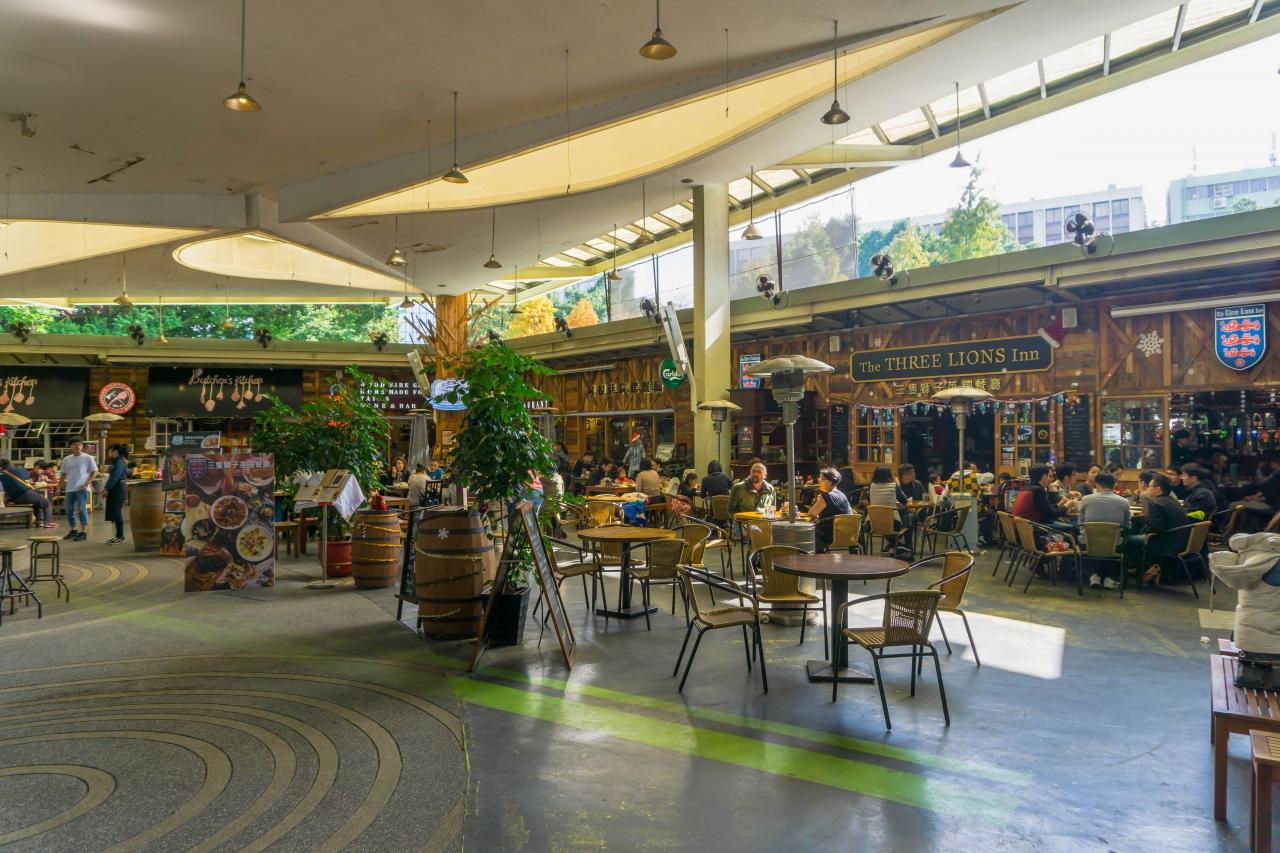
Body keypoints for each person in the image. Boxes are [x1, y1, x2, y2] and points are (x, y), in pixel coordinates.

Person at [1127, 473, 1190, 585]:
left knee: (1127, 540)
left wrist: (1144, 530)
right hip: (1181, 540)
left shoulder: (1155, 503)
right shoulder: (1172, 501)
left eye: (1150, 486)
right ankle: (1150, 567)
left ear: (1158, 488)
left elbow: (1155, 527)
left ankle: (1145, 569)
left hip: (1165, 542)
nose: (1148, 489)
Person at [1077, 471, 1130, 589]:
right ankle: (1109, 578)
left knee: (1085, 539)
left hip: (1089, 545)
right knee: (1117, 541)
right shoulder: (1124, 502)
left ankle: (1093, 576)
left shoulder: (1086, 499)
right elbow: (1127, 526)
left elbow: (1080, 523)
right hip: (1113, 545)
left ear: (1097, 485)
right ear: (1113, 485)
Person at [59, 439, 97, 541]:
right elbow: (63, 474)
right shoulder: (66, 459)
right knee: (69, 509)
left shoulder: (88, 457)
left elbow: (94, 472)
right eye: (75, 444)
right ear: (70, 446)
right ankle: (74, 529)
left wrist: (86, 483)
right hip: (70, 488)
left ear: (82, 446)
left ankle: (83, 532)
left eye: (79, 444)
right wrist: (59, 487)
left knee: (81, 508)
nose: (78, 446)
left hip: (82, 487)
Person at [806, 467, 852, 553]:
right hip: (847, 534)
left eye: (823, 479)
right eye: (819, 478)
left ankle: (813, 557)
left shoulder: (827, 496)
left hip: (830, 536)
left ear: (831, 482)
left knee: (805, 533)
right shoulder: (842, 495)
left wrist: (817, 516)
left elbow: (811, 513)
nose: (819, 481)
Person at [1011, 464, 1071, 528]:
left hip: (1021, 528)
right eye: (1050, 476)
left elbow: (1046, 509)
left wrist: (1059, 504)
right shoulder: (1038, 490)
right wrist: (1067, 506)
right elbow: (1052, 515)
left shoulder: (1026, 488)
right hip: (1033, 528)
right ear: (1044, 476)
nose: (1052, 480)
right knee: (1073, 528)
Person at [0, 459, 54, 528]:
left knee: (37, 503)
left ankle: (39, 522)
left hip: (14, 498)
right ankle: (48, 522)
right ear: (10, 464)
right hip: (24, 493)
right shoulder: (18, 469)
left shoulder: (1, 474)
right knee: (47, 503)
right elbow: (27, 477)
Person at [101, 444, 129, 544]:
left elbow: (115, 477)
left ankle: (120, 536)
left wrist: (106, 488)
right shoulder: (117, 461)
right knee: (115, 512)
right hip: (115, 488)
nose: (108, 453)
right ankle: (118, 536)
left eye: (109, 451)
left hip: (118, 489)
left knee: (117, 513)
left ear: (115, 452)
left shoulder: (119, 462)